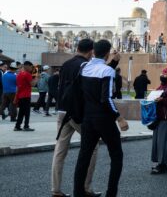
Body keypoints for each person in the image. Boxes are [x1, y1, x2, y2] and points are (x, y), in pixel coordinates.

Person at [73, 40, 129, 197]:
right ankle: (111, 194)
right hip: (104, 120)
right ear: (107, 53)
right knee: (116, 156)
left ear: (93, 51)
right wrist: (119, 117)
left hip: (88, 118)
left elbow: (91, 85)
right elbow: (106, 98)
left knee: (84, 156)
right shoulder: (107, 71)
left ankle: (78, 193)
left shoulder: (84, 67)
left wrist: (113, 62)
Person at [52, 39, 103, 197]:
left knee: (60, 150)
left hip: (62, 111)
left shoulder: (66, 64)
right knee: (92, 147)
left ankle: (56, 189)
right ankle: (86, 187)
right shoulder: (85, 66)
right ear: (90, 52)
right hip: (77, 114)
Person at [14, 61, 38, 131]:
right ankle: (26, 126)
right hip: (26, 95)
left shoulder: (19, 74)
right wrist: (36, 78)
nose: (31, 69)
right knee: (27, 112)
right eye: (31, 67)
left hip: (20, 95)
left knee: (21, 112)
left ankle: (17, 126)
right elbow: (32, 84)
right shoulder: (27, 74)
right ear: (27, 66)